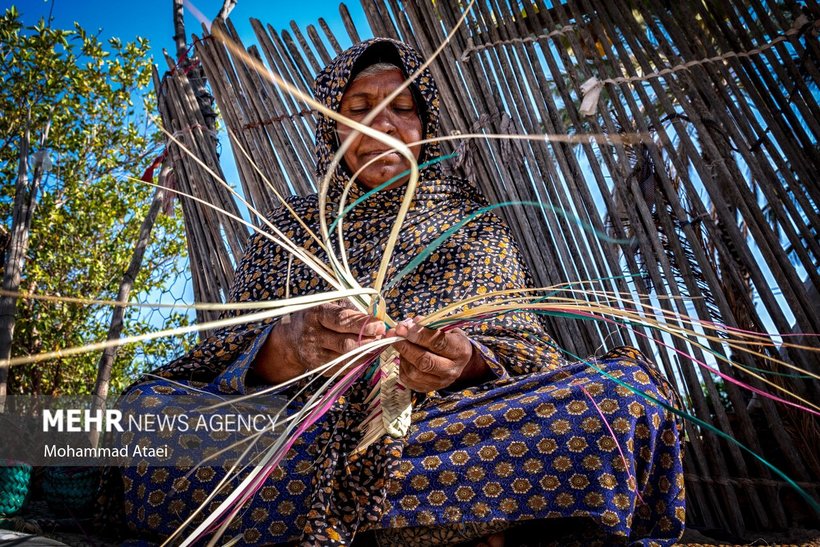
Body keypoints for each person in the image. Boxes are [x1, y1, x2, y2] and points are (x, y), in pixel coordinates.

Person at [114, 38, 685, 546]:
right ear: (331, 126)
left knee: (624, 397)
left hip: (448, 432)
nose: (380, 127)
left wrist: (464, 361)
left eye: (402, 110)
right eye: (357, 110)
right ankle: (461, 523)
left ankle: (389, 518)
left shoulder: (470, 223)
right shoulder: (290, 228)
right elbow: (218, 355)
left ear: (426, 125)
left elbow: (524, 348)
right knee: (148, 416)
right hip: (291, 435)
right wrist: (281, 352)